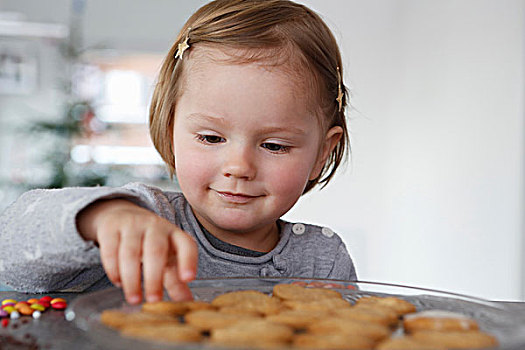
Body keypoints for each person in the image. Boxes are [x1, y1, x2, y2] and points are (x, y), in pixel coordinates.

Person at [0, 0, 357, 305]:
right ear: (171, 132)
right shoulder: (144, 219)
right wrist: (98, 219)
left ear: (322, 153)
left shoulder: (323, 261)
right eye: (211, 138)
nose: (239, 167)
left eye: (274, 145)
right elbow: (10, 251)